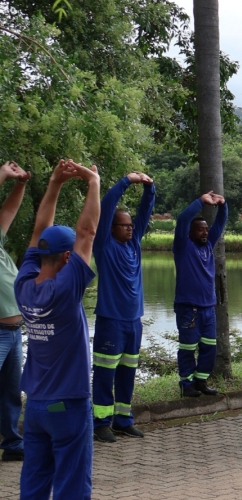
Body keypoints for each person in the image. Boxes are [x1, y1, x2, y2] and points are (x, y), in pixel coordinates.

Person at [16, 159, 109, 500]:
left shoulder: (25, 283)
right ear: (68, 257)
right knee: (71, 489)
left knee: (34, 489)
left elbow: (39, 231)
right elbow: (87, 231)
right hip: (68, 406)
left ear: (40, 255)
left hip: (35, 406)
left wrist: (54, 183)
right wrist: (94, 182)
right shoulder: (67, 286)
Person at [92, 172, 155, 443]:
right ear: (111, 228)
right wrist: (126, 181)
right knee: (105, 374)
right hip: (111, 321)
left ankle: (123, 420)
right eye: (124, 225)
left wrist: (149, 188)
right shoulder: (104, 245)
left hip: (134, 322)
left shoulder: (134, 244)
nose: (130, 229)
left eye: (131, 225)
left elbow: (145, 212)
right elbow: (106, 207)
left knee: (128, 373)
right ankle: (100, 424)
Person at [172, 191, 228, 398]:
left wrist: (223, 204)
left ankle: (201, 381)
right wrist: (200, 202)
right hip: (189, 308)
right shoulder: (183, 246)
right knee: (188, 348)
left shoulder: (208, 245)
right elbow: (182, 219)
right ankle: (186, 384)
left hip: (208, 308)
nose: (205, 232)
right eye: (200, 229)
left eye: (206, 229)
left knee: (210, 347)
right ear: (190, 232)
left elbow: (220, 223)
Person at [0, 161, 30, 463]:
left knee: (11, 393)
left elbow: (8, 211)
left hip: (13, 332)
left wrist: (20, 184)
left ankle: (12, 444)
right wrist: (2, 175)